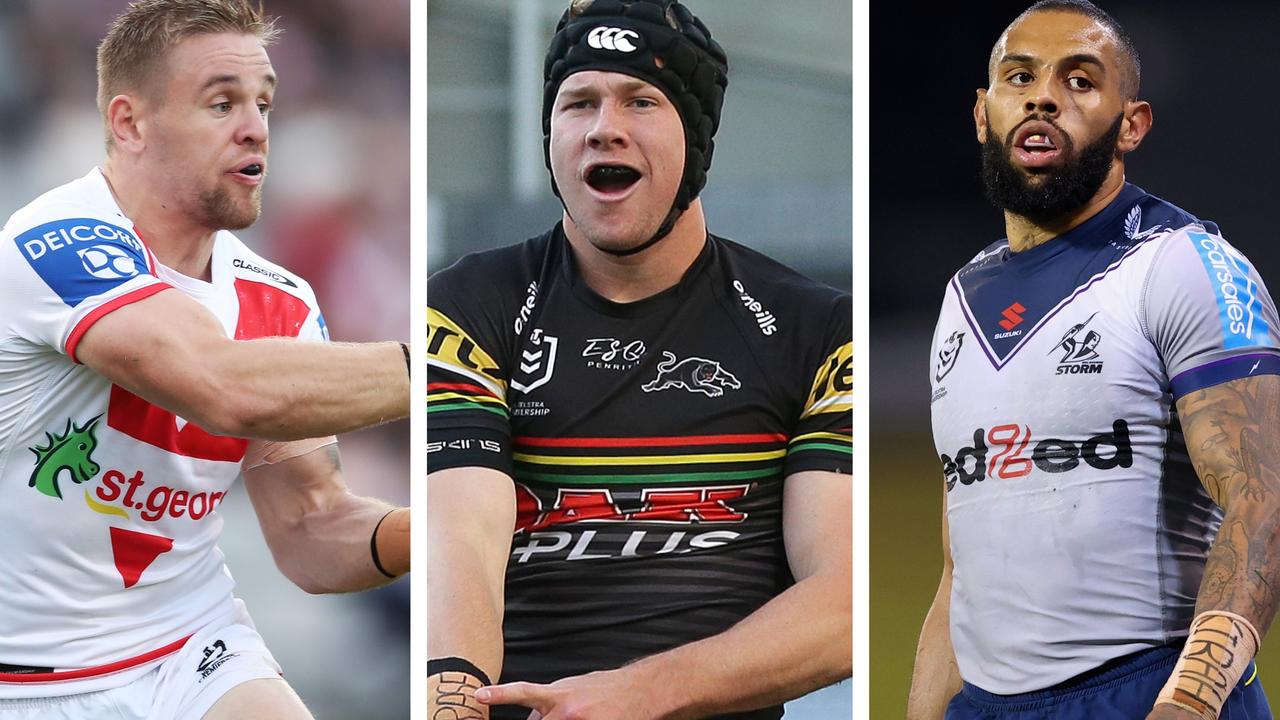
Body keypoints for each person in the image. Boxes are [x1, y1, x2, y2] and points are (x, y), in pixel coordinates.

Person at [426, 0, 852, 718]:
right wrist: (453, 705)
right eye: (578, 102)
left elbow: (844, 602)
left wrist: (635, 696)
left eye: (641, 100)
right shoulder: (470, 304)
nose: (603, 128)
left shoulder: (816, 328)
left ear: (698, 137)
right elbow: (460, 543)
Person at [0, 1, 410, 718]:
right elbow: (221, 385)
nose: (255, 127)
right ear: (130, 124)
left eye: (264, 103)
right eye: (221, 103)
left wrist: (441, 530)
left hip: (191, 643)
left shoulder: (280, 298)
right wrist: (451, 368)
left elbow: (312, 530)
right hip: (28, 673)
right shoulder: (55, 240)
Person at [908, 1, 1280, 718]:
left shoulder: (1185, 264)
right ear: (984, 114)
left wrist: (1190, 704)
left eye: (1080, 80)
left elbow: (1262, 501)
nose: (1044, 94)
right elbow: (961, 574)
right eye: (1021, 76)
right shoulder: (961, 298)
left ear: (1131, 124)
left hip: (1149, 686)